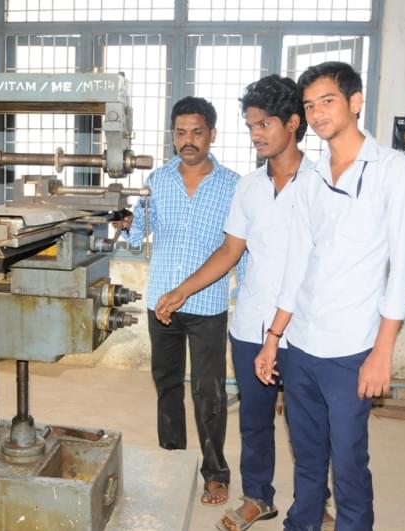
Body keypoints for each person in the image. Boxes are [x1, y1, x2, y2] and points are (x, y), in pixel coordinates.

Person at [254, 61, 405, 531]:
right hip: (300, 344)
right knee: (307, 457)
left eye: (326, 101)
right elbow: (296, 265)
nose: (317, 112)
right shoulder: (310, 178)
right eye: (309, 106)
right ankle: (302, 523)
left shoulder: (395, 171)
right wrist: (274, 338)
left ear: (355, 101)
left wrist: (382, 354)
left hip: (352, 349)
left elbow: (402, 270)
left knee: (348, 462)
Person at [154, 75, 311, 530]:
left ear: (293, 123)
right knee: (255, 422)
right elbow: (229, 252)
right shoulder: (250, 187)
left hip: (305, 327)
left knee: (306, 427)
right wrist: (181, 290)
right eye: (251, 126)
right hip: (251, 325)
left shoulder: (321, 184)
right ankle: (257, 497)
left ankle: (311, 502)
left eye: (263, 124)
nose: (256, 134)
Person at [121, 96, 241, 506]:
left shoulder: (232, 185)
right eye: (180, 132)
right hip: (162, 306)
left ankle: (215, 473)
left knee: (209, 392)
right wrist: (123, 223)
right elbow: (137, 234)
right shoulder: (157, 181)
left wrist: (242, 294)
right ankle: (171, 461)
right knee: (167, 386)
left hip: (207, 305)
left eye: (197, 132)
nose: (188, 141)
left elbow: (238, 247)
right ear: (173, 135)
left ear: (212, 134)